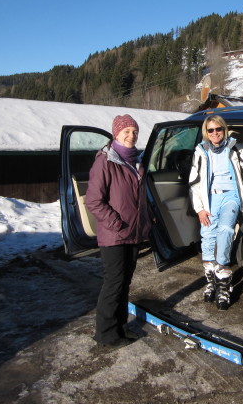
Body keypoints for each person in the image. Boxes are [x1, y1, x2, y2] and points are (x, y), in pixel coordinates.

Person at [189, 115, 243, 310]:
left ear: (224, 130)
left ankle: (223, 281)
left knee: (226, 230)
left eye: (218, 129)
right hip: (209, 200)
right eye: (211, 130)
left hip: (231, 197)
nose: (215, 133)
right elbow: (194, 182)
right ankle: (211, 283)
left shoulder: (235, 147)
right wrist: (200, 209)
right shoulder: (201, 151)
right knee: (208, 239)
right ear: (206, 133)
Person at [85, 114, 151, 349]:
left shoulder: (137, 161)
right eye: (126, 131)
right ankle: (105, 333)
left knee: (125, 283)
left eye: (134, 131)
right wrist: (114, 222)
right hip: (114, 234)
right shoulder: (105, 161)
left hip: (133, 233)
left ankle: (121, 328)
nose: (131, 135)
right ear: (116, 134)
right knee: (113, 283)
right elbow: (93, 201)